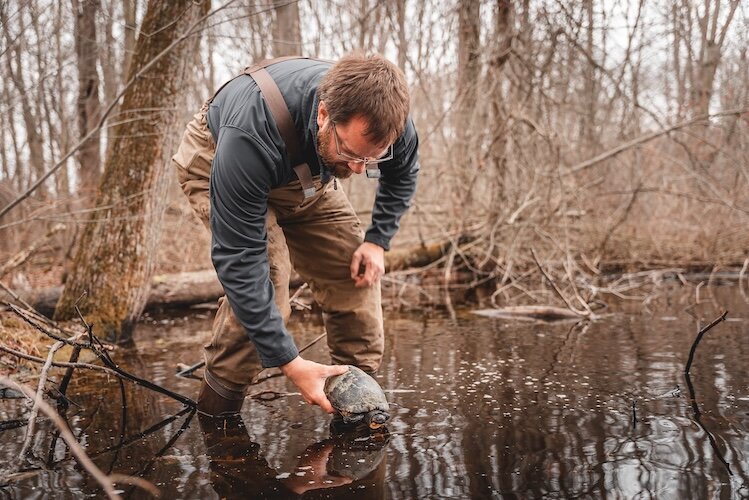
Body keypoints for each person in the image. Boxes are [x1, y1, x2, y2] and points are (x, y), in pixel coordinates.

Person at [172, 52, 419, 418]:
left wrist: (377, 240)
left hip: (308, 176)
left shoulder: (389, 123)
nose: (356, 169)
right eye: (352, 154)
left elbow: (402, 174)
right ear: (323, 116)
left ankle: (359, 410)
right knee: (266, 289)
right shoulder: (248, 135)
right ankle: (218, 424)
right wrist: (289, 361)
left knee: (355, 271)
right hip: (221, 159)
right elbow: (241, 264)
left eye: (371, 160)